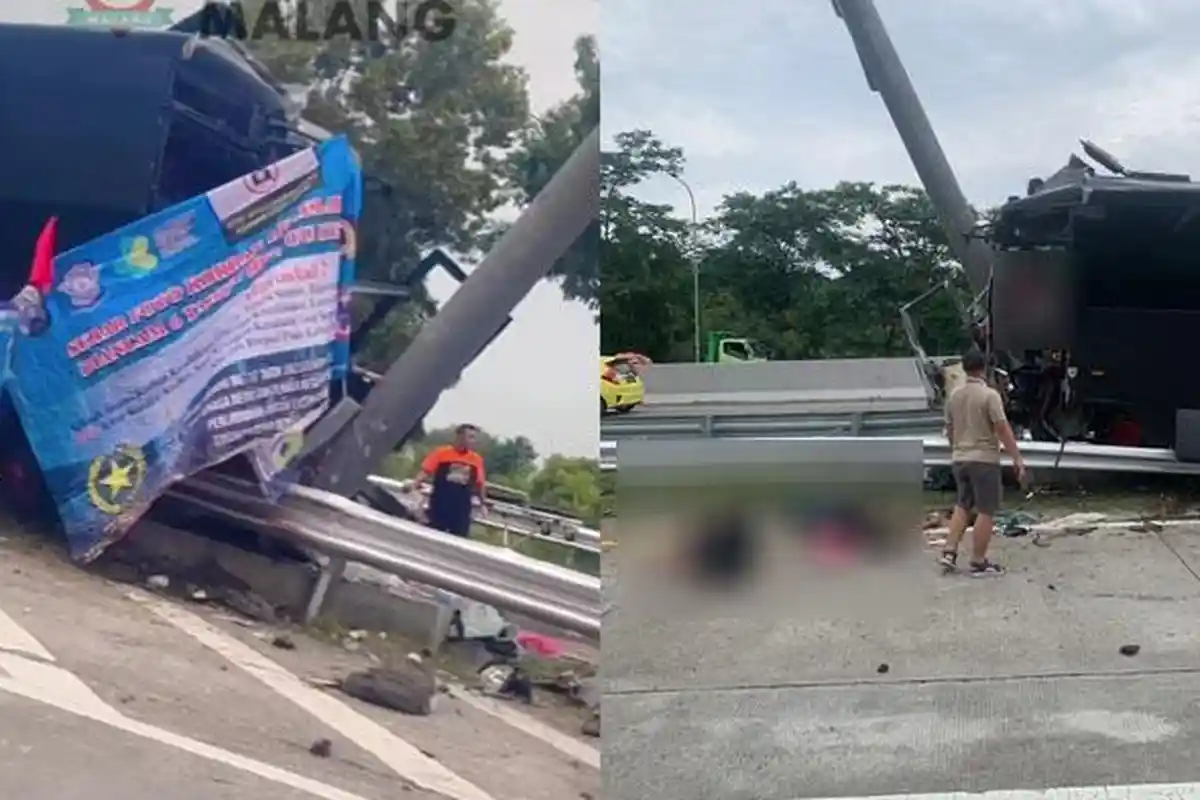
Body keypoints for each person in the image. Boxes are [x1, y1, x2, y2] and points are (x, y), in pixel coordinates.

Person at [939, 348, 1026, 576]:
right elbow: (1002, 428)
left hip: (960, 458)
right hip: (984, 460)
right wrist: (1016, 457)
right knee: (986, 509)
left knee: (962, 505)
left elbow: (949, 429)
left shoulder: (954, 396)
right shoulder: (989, 396)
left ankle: (949, 551)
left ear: (964, 368)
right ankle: (978, 560)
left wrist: (955, 449)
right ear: (984, 368)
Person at [416, 424, 488, 538]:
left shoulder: (476, 460)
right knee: (435, 533)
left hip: (462, 507)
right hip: (441, 503)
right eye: (470, 437)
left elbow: (480, 484)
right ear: (460, 437)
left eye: (474, 437)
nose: (473, 441)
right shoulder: (442, 453)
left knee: (459, 536)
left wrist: (483, 504)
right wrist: (415, 483)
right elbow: (426, 471)